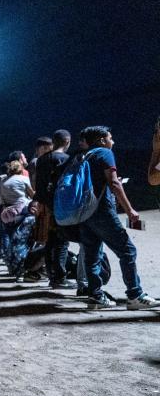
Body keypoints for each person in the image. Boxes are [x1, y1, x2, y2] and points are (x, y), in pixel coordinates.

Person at [76, 126, 159, 309]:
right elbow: (113, 182)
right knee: (127, 251)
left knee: (92, 256)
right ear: (101, 140)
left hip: (84, 214)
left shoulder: (83, 157)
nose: (113, 142)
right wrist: (129, 210)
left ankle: (95, 296)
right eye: (110, 138)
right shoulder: (104, 154)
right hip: (102, 212)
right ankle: (135, 295)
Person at [33, 129, 74, 288]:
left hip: (46, 206)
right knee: (62, 243)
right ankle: (59, 278)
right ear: (67, 142)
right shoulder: (66, 159)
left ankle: (51, 275)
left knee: (50, 242)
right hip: (61, 206)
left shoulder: (41, 160)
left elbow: (38, 185)